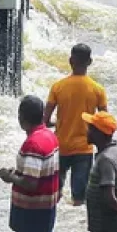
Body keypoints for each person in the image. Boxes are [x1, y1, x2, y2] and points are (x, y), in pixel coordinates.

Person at [0, 95, 60, 232]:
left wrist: (9, 177)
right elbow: (37, 171)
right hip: (47, 205)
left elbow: (31, 183)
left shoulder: (33, 144)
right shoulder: (49, 136)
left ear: (22, 119)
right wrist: (16, 173)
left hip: (32, 209)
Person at [43, 43, 108, 207]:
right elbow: (105, 121)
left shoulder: (58, 87)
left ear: (70, 60)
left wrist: (57, 123)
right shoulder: (97, 89)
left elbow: (45, 120)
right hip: (84, 149)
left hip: (60, 146)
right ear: (90, 62)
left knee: (54, 194)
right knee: (79, 199)